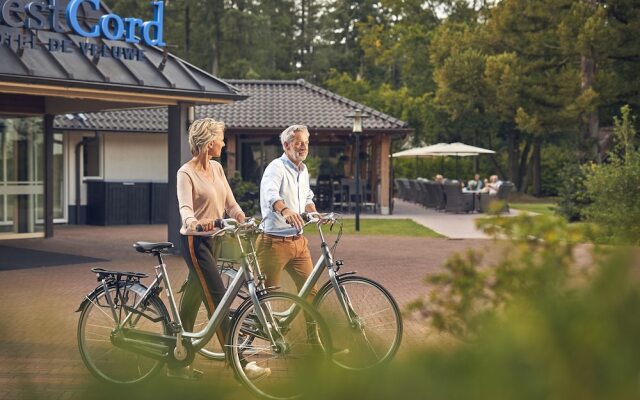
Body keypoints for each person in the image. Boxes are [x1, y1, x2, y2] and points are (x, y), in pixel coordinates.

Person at [174, 118, 270, 380]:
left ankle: (177, 359)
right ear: (209, 142)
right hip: (196, 241)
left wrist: (245, 219)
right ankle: (240, 364)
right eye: (221, 138)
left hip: (215, 238)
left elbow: (230, 203)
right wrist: (193, 221)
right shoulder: (186, 173)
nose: (224, 143)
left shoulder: (216, 168)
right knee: (218, 298)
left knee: (193, 300)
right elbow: (185, 209)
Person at [256, 125, 319, 302]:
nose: (303, 147)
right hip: (274, 242)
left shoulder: (303, 169)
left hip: (298, 242)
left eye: (306, 143)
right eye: (298, 143)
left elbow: (307, 197)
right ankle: (260, 328)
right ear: (286, 145)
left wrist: (315, 213)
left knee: (311, 292)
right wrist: (285, 210)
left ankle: (313, 330)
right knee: (267, 295)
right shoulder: (276, 167)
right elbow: (271, 195)